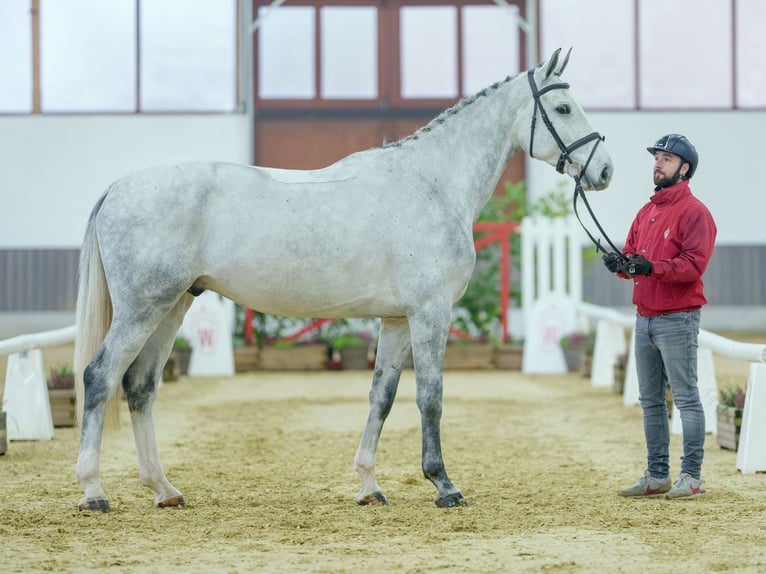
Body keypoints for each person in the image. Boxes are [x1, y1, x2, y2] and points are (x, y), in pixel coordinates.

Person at [602, 133, 717, 499]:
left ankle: (692, 475)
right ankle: (657, 474)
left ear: (684, 168)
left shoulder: (695, 212)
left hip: (678, 318)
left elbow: (693, 265)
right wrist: (620, 264)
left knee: (685, 398)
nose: (657, 164)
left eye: (666, 159)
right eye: (657, 158)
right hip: (645, 317)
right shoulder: (647, 211)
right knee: (650, 400)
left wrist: (652, 268)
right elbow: (635, 257)